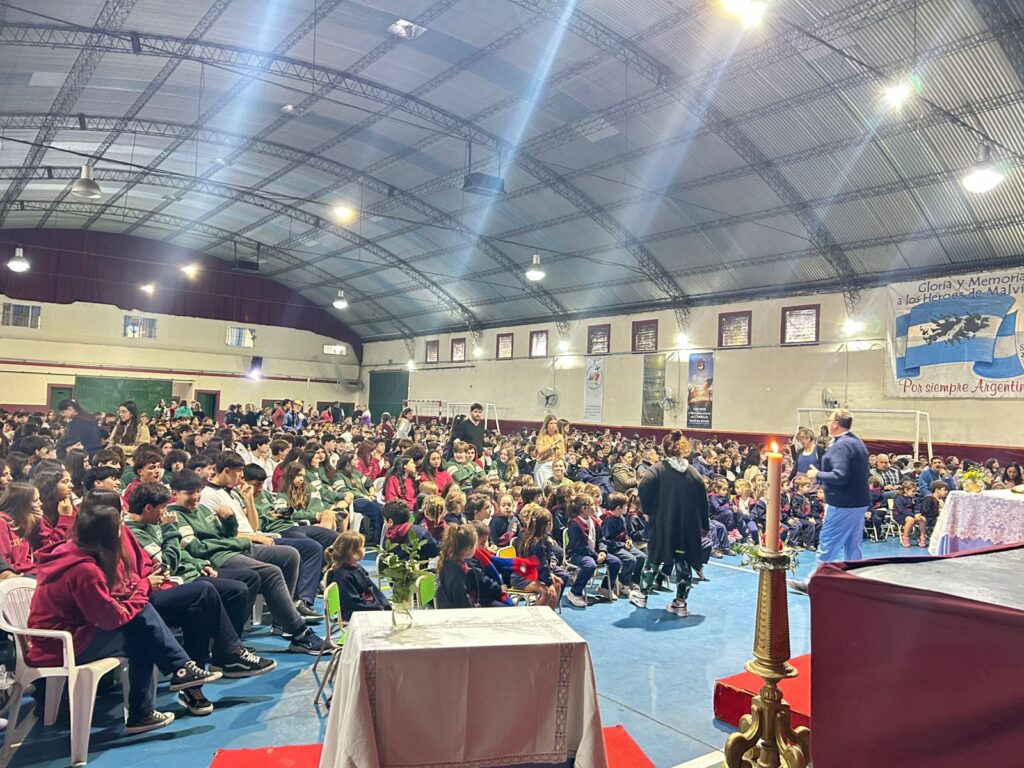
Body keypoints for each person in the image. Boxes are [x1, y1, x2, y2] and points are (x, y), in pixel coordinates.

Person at [28, 504, 222, 734]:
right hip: (62, 644)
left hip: (68, 634)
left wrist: (137, 590)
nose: (123, 532)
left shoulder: (72, 552)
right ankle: (155, 698)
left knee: (143, 623)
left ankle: (175, 677)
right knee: (143, 633)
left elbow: (109, 603)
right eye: (119, 527)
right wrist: (144, 586)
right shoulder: (84, 570)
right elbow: (111, 618)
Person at [170, 470, 329, 654]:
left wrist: (229, 520)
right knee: (270, 572)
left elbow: (227, 534)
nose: (196, 496)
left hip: (235, 548)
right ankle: (299, 633)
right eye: (189, 493)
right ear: (175, 494)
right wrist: (241, 542)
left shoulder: (202, 509)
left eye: (198, 491)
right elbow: (197, 548)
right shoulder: (175, 516)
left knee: (289, 554)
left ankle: (282, 618)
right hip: (218, 558)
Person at [789, 409, 870, 594]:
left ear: (835, 424)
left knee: (828, 542)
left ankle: (815, 582)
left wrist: (817, 474)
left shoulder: (842, 446)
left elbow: (840, 475)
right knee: (852, 543)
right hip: (858, 501)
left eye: (829, 420)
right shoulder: (857, 442)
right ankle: (855, 581)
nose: (827, 423)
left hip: (843, 503)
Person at [636, 431, 710, 616]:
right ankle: (680, 603)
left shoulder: (658, 469)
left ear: (664, 449)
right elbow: (704, 501)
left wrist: (649, 510)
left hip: (664, 524)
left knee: (654, 558)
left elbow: (643, 486)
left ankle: (642, 596)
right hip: (687, 528)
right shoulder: (693, 473)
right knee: (683, 562)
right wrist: (704, 525)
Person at [328, 531, 390, 621]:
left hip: (365, 605)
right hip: (353, 611)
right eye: (362, 547)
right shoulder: (343, 576)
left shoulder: (357, 568)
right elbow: (353, 602)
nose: (364, 549)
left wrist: (385, 604)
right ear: (354, 553)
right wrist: (378, 608)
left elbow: (373, 589)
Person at [533, 415, 565, 488]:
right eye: (551, 423)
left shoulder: (560, 437)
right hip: (543, 466)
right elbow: (540, 450)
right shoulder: (541, 436)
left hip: (555, 466)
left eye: (555, 423)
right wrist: (551, 445)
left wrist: (563, 465)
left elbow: (563, 453)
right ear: (546, 425)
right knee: (544, 489)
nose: (553, 426)